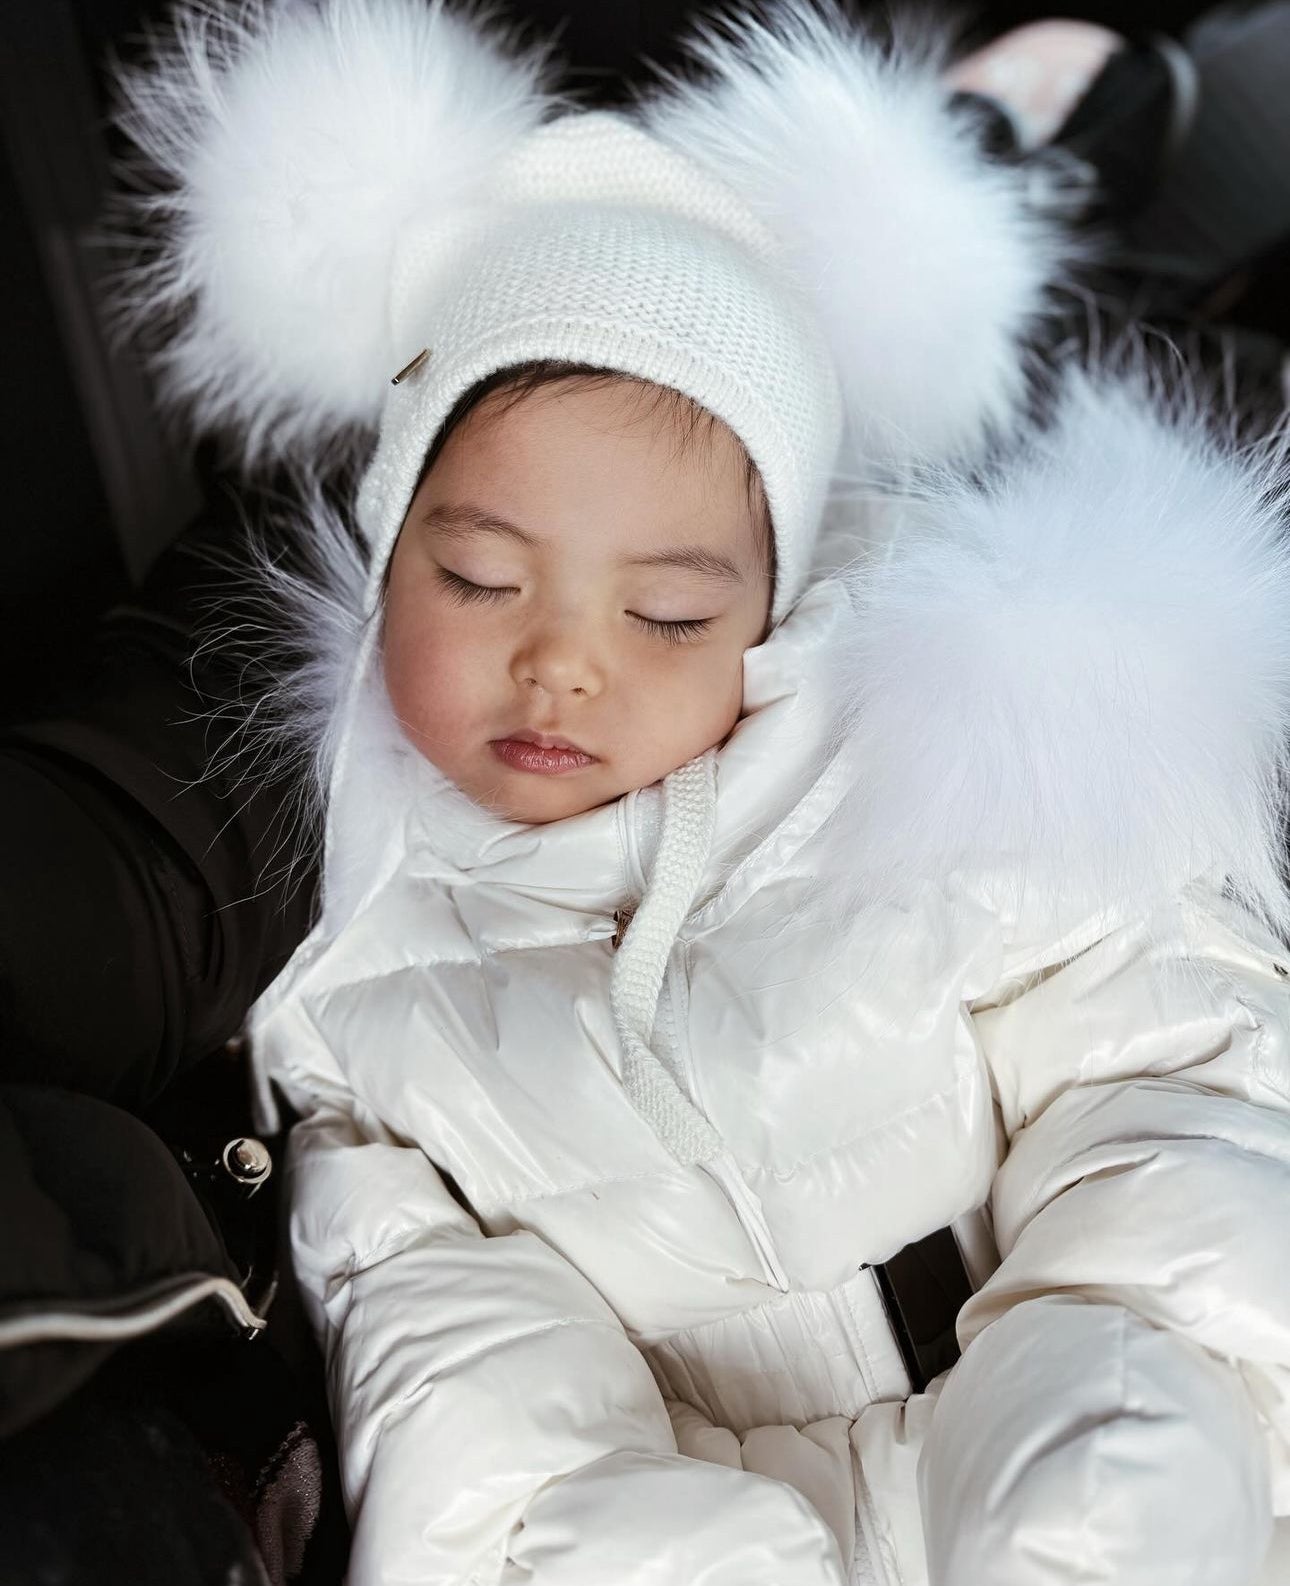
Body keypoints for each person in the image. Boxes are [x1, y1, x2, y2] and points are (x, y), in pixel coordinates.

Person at [88, 0, 1290, 1582]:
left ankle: (1035, 130)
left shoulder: (961, 773)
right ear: (383, 566)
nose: (561, 662)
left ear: (771, 612)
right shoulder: (356, 955)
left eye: (662, 614)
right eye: (478, 580)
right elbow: (459, 1375)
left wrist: (1119, 1446)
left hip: (1091, 1445)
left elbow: (1177, 1091)